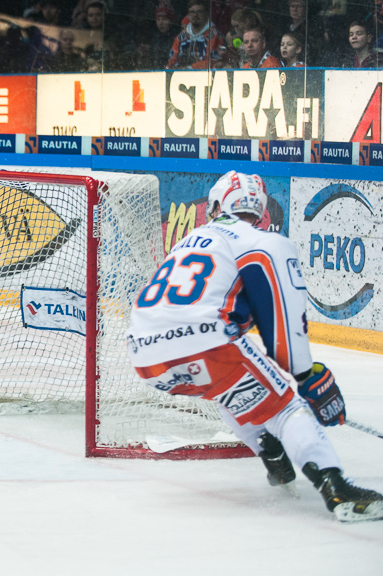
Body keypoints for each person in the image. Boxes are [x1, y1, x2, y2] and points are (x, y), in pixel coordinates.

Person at [126, 171, 383, 523]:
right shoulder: (263, 240)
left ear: (215, 206)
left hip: (145, 356)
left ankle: (274, 457)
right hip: (205, 345)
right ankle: (336, 489)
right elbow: (283, 317)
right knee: (286, 408)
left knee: (228, 389)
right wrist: (307, 375)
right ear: (261, 210)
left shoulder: (192, 238)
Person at [166, 0, 225, 69]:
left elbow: (211, 61)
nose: (195, 15)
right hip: (180, 76)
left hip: (204, 76)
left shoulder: (215, 36)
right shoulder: (181, 37)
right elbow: (172, 60)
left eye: (199, 12)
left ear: (207, 14)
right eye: (192, 12)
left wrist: (188, 68)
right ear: (188, 15)